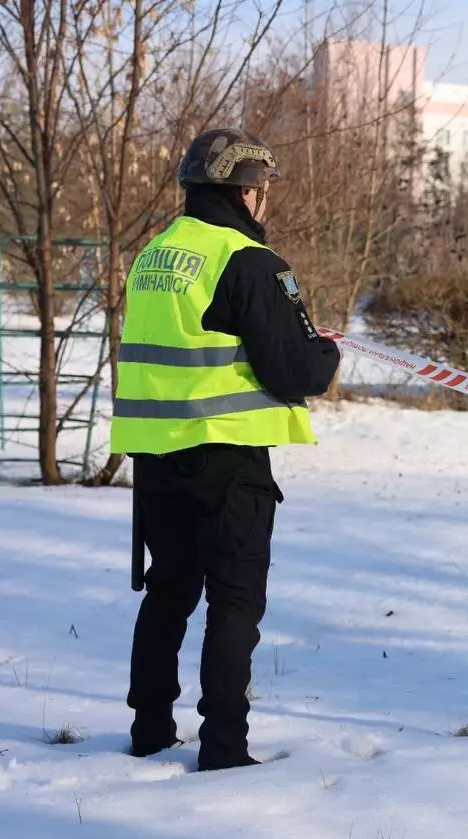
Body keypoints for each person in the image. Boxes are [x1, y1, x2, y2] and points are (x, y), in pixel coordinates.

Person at [110, 128, 340, 771]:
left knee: (169, 592)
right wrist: (327, 351)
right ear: (247, 192)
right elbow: (298, 371)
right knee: (234, 601)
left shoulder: (154, 255)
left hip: (157, 453)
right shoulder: (251, 262)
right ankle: (224, 749)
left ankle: (150, 729)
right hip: (228, 456)